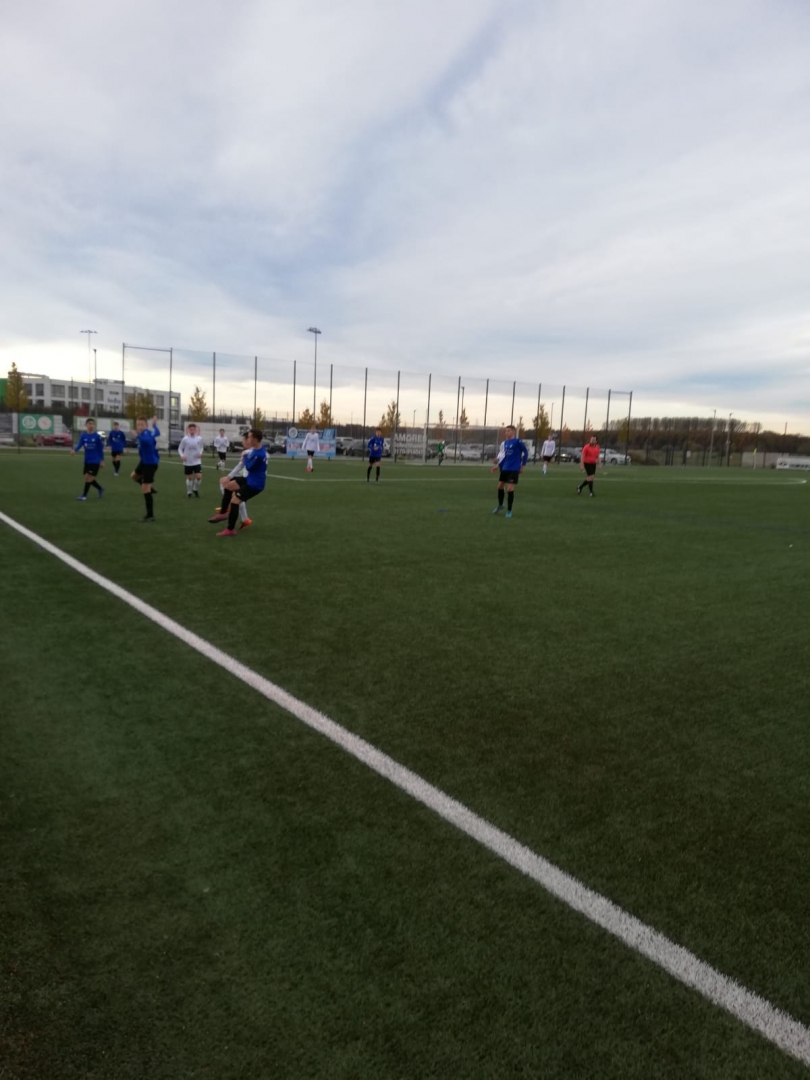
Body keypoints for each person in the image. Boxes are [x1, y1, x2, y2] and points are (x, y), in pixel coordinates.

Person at [208, 428, 267, 536]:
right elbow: (244, 463)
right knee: (227, 486)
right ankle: (223, 513)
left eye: (249, 437)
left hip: (254, 484)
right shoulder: (256, 450)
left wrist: (245, 456)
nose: (247, 439)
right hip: (248, 479)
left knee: (235, 501)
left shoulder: (259, 454)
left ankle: (230, 529)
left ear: (254, 439)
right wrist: (228, 477)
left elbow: (249, 466)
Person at [491, 425, 528, 518]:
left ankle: (509, 510)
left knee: (510, 489)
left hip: (514, 468)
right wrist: (498, 466)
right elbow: (506, 457)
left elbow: (526, 452)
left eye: (508, 431)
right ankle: (500, 505)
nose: (506, 433)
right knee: (500, 486)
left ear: (513, 432)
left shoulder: (518, 441)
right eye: (506, 431)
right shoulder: (505, 443)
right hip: (505, 468)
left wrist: (523, 465)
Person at [131, 416, 160, 521]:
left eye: (142, 425)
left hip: (150, 464)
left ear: (146, 426)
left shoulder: (146, 434)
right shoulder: (147, 433)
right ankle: (150, 489)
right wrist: (154, 425)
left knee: (145, 489)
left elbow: (147, 441)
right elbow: (157, 433)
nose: (140, 427)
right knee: (134, 476)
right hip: (144, 461)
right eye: (138, 425)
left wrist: (137, 436)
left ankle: (150, 515)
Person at [217, 449, 254, 530]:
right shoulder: (251, 451)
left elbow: (241, 464)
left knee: (234, 495)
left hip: (245, 477)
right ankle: (244, 518)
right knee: (236, 496)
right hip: (244, 476)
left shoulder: (252, 451)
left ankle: (229, 507)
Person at [71, 418, 105, 500]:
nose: (91, 425)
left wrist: (102, 460)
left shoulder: (97, 437)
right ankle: (100, 488)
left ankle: (84, 495)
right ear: (86, 425)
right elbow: (79, 444)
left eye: (92, 424)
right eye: (89, 423)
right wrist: (74, 450)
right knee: (87, 477)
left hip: (95, 460)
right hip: (87, 460)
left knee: (88, 477)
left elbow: (100, 449)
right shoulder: (83, 436)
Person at [178, 422, 204, 498]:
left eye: (193, 429)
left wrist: (200, 453)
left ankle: (195, 489)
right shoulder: (185, 439)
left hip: (197, 461)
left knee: (199, 477)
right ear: (188, 430)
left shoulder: (199, 438)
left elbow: (201, 447)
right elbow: (180, 449)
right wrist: (182, 456)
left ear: (196, 430)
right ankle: (189, 491)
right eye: (191, 429)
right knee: (189, 478)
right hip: (188, 462)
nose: (192, 431)